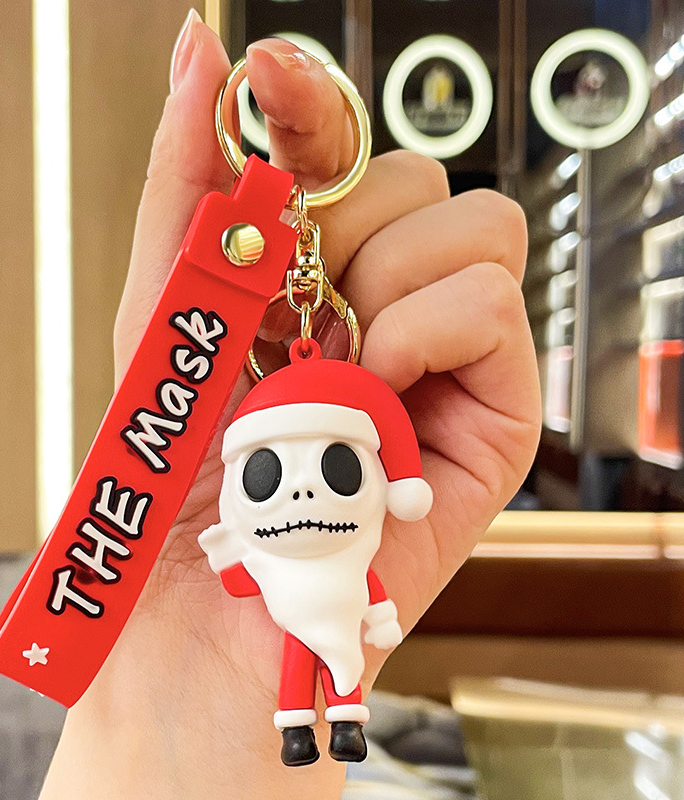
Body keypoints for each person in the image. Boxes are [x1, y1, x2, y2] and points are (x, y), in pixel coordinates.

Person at [39, 10, 541, 799]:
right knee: (301, 666)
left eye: (339, 467)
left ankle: (330, 719)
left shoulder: (344, 551)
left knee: (315, 664)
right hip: (261, 605)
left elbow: (302, 586)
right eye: (269, 477)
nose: (304, 492)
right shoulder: (253, 536)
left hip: (317, 606)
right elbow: (243, 582)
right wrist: (195, 594)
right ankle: (304, 722)